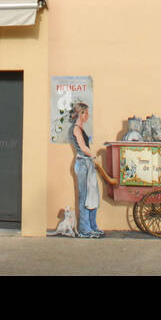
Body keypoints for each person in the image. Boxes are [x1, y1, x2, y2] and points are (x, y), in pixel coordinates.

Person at [69, 102, 103, 238]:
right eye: (86, 113)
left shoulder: (81, 128)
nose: (88, 115)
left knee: (92, 196)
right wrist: (93, 154)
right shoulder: (76, 129)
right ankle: (84, 229)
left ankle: (92, 226)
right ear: (81, 114)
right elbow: (83, 148)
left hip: (87, 163)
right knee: (84, 197)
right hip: (82, 164)